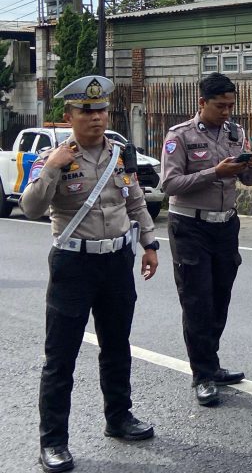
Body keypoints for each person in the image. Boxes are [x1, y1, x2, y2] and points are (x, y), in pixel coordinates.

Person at [22, 75, 159, 473]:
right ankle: (53, 442)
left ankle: (119, 417)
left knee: (117, 345)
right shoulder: (53, 155)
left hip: (116, 262)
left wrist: (149, 244)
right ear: (70, 115)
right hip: (73, 265)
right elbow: (31, 208)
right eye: (86, 110)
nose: (96, 117)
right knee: (60, 356)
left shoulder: (121, 154)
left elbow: (136, 203)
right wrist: (50, 168)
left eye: (100, 110)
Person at [161, 72, 252, 407]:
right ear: (202, 103)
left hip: (225, 226)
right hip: (190, 226)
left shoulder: (236, 132)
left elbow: (247, 181)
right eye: (220, 106)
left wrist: (251, 165)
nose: (227, 112)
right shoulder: (180, 136)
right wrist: (214, 172)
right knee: (197, 300)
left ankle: (212, 363)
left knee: (220, 297)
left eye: (231, 105)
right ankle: (202, 374)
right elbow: (171, 185)